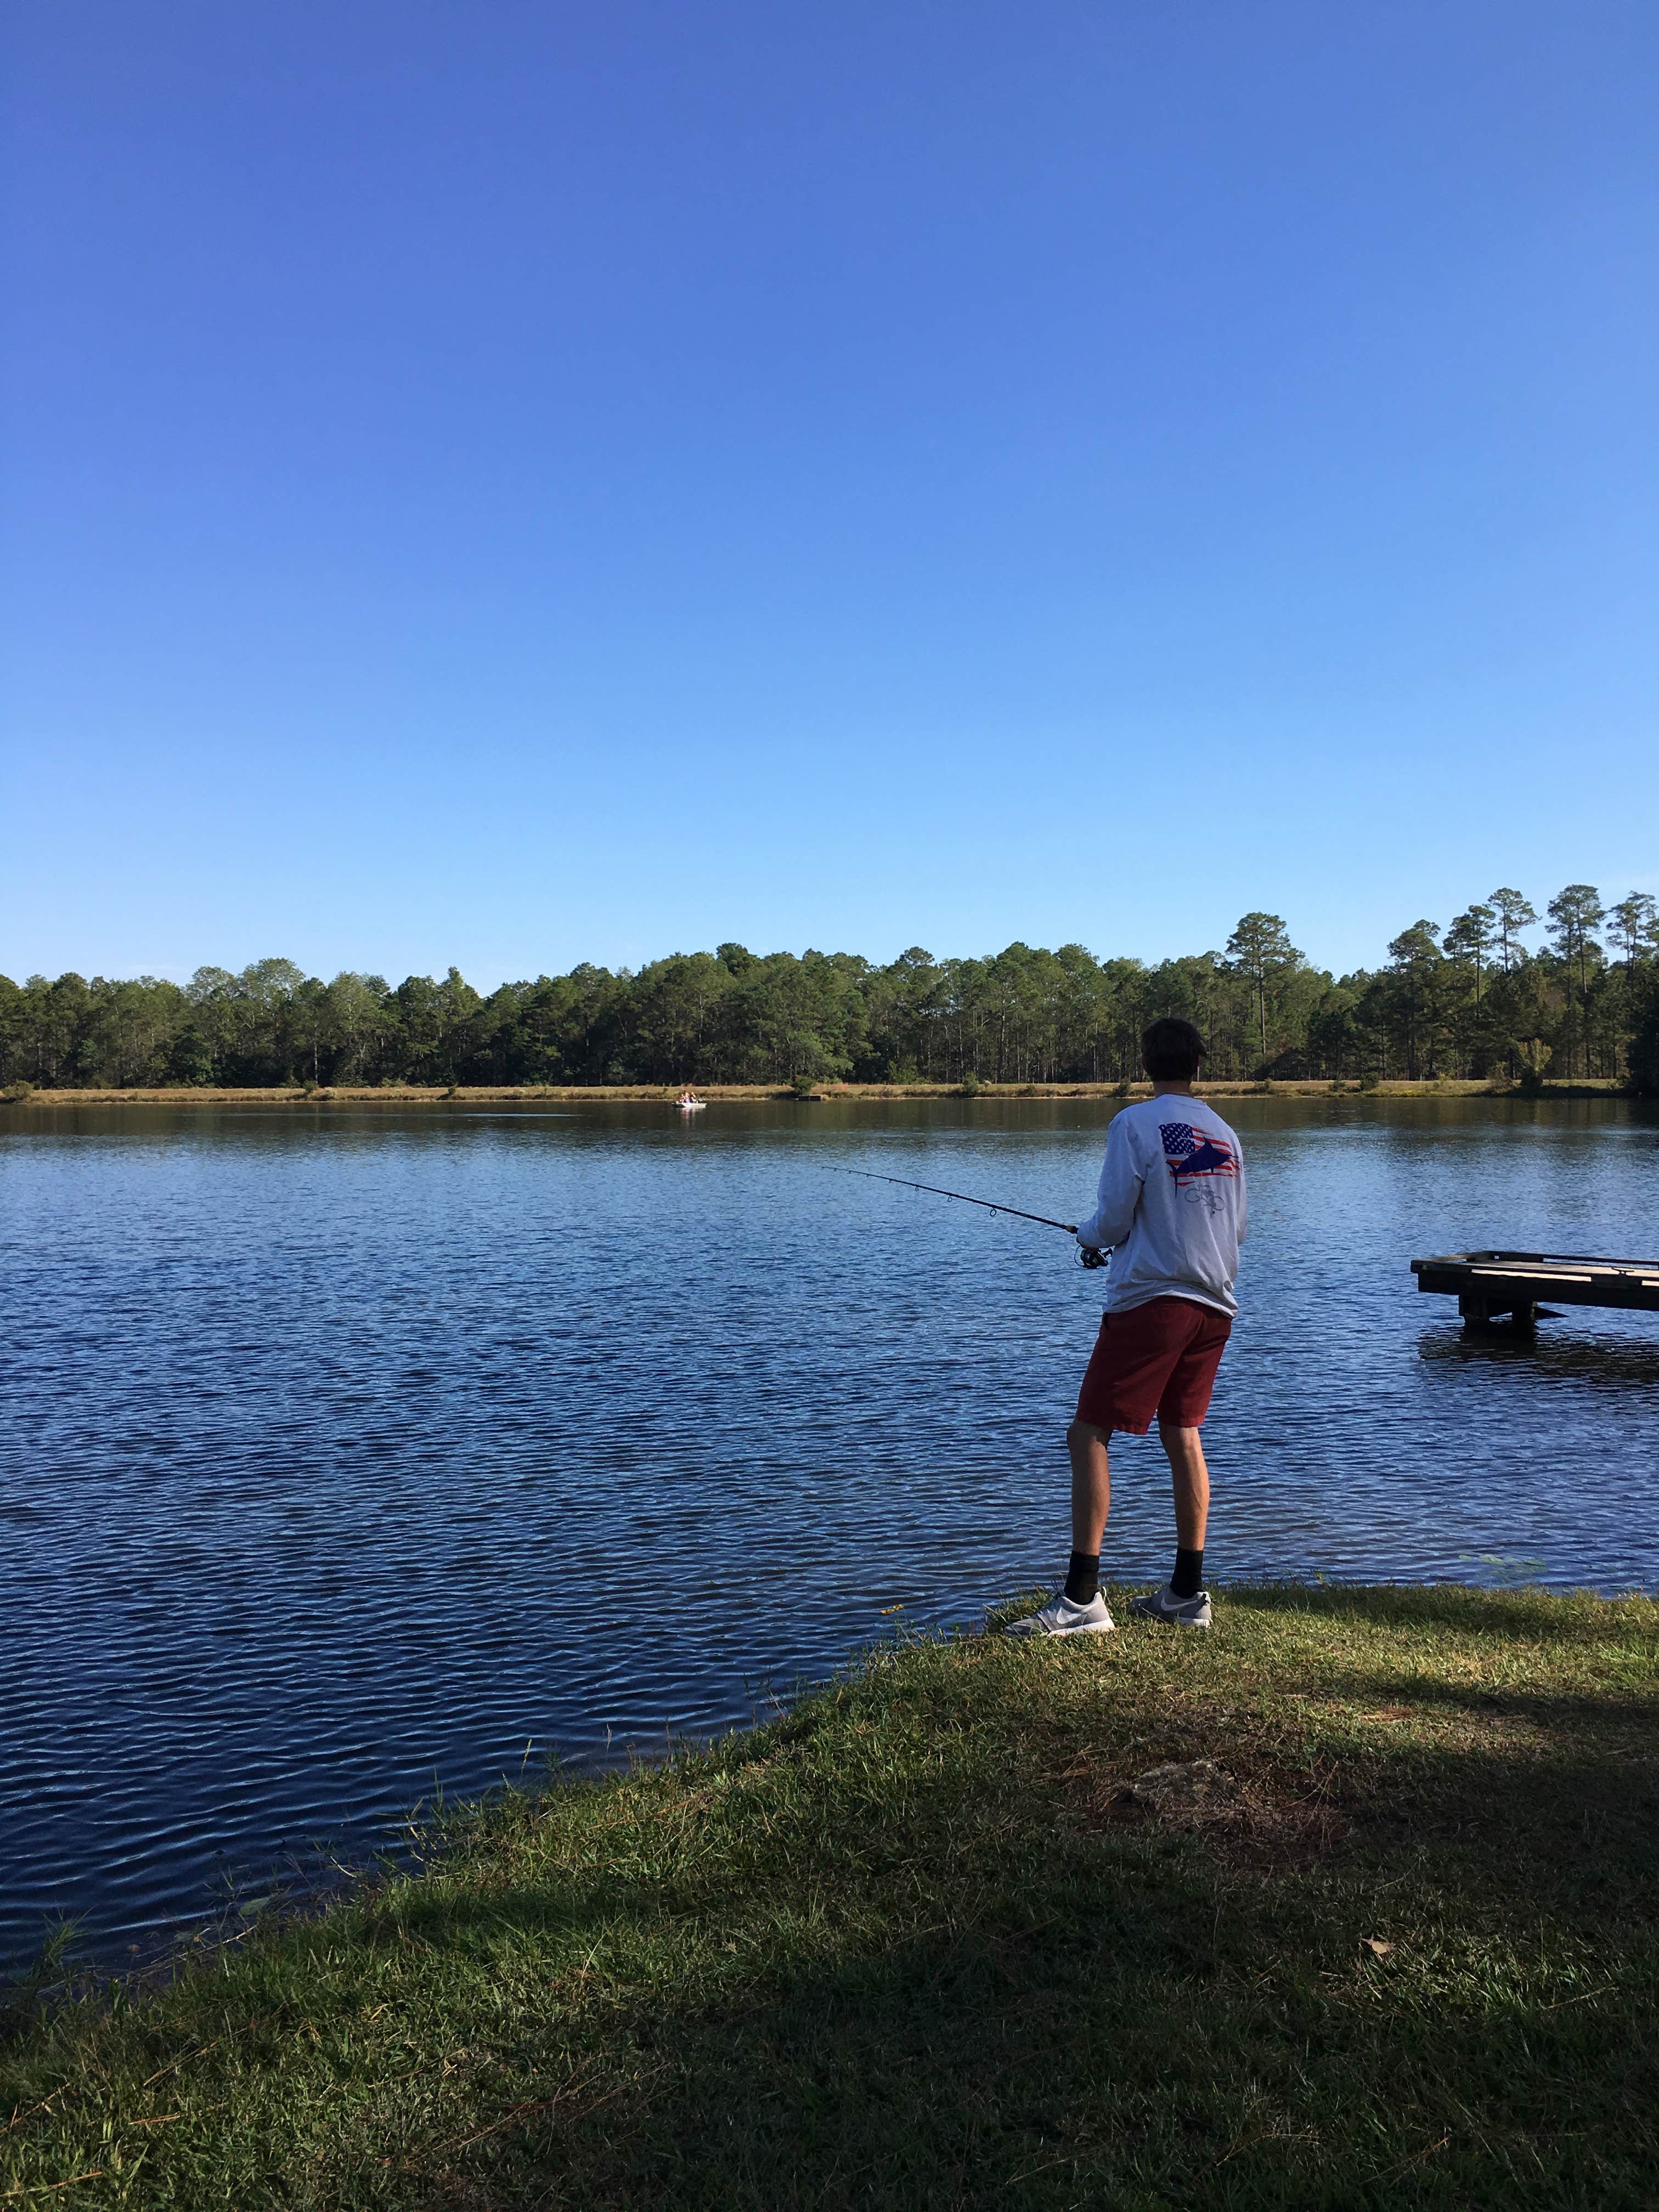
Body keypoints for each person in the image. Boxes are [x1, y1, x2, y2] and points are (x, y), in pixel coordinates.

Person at [1008, 1016, 1245, 1637]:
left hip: (1154, 1303)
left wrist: (1088, 1238)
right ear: (1200, 1063)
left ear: (1146, 1062)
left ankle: (1082, 1600)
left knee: (1087, 1435)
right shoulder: (1225, 1132)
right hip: (1215, 1304)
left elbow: (1112, 1219)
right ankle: (1187, 1595)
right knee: (1183, 1434)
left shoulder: (1134, 1123)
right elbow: (1235, 1228)